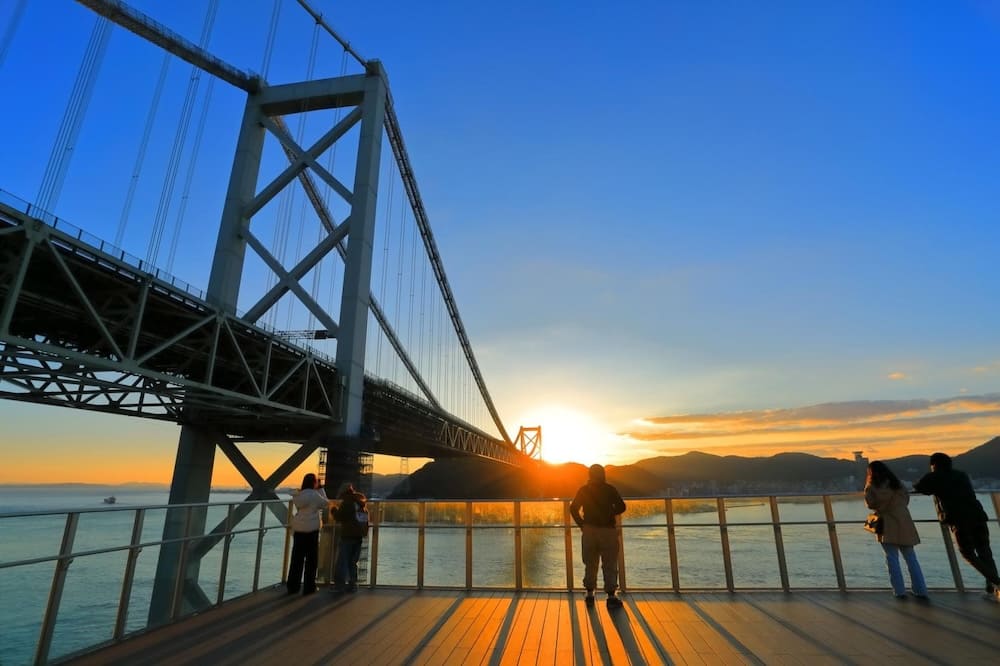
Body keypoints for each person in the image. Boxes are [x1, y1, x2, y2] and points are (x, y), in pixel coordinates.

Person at [913, 452, 1000, 599]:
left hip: (959, 520)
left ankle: (996, 582)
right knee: (985, 551)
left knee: (968, 553)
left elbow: (920, 487)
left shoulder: (934, 477)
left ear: (934, 465)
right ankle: (992, 588)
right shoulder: (961, 475)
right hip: (978, 515)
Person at [864, 461, 928, 599]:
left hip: (886, 523)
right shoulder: (897, 484)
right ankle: (920, 590)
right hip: (903, 521)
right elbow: (906, 499)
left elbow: (870, 504)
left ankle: (899, 591)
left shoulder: (871, 487)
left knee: (892, 558)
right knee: (911, 558)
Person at [570, 464, 627, 608]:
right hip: (607, 530)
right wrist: (610, 513)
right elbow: (622, 506)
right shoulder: (610, 489)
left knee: (590, 562)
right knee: (609, 563)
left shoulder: (584, 490)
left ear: (590, 475)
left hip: (589, 529)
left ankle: (590, 593)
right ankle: (611, 596)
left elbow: (573, 508)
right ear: (603, 474)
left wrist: (582, 524)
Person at [286, 473, 328, 595]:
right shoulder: (315, 495)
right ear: (314, 482)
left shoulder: (298, 496)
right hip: (311, 530)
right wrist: (321, 489)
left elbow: (299, 505)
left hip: (298, 529)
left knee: (296, 560)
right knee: (311, 560)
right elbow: (325, 503)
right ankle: (309, 587)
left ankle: (292, 587)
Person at [333, 482, 369, 593]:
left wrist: (333, 510)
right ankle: (353, 584)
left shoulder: (347, 503)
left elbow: (340, 517)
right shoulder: (360, 502)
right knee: (353, 562)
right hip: (359, 535)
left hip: (348, 534)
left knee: (342, 561)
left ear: (343, 493)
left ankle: (339, 586)